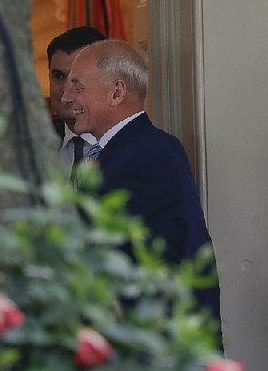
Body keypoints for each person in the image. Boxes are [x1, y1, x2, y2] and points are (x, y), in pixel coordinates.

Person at [61, 39, 220, 319]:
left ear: (116, 92)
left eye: (78, 86)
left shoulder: (146, 155)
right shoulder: (140, 149)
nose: (66, 97)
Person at [46, 26, 106, 179]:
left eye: (78, 77)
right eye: (58, 76)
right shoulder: (35, 145)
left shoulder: (140, 149)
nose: (67, 89)